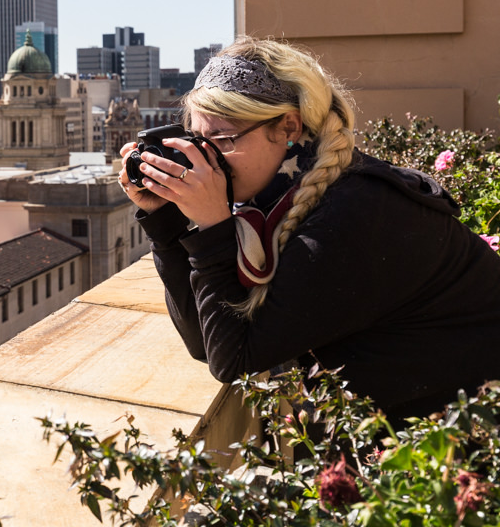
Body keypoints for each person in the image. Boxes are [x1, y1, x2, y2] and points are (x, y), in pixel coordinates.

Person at [119, 37, 500, 421]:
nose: (209, 157)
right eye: (200, 141)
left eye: (224, 139)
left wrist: (213, 227)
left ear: (288, 127)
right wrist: (166, 220)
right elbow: (204, 339)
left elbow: (233, 359)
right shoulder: (276, 206)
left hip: (465, 447)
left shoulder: (351, 212)